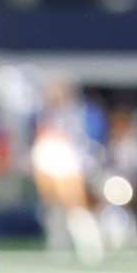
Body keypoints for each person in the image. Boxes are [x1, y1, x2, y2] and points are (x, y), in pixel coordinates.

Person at [31, 78, 104, 262]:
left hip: (76, 161)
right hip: (52, 160)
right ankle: (57, 244)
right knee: (52, 204)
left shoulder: (82, 112)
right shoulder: (46, 114)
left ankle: (90, 247)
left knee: (75, 204)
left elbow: (90, 140)